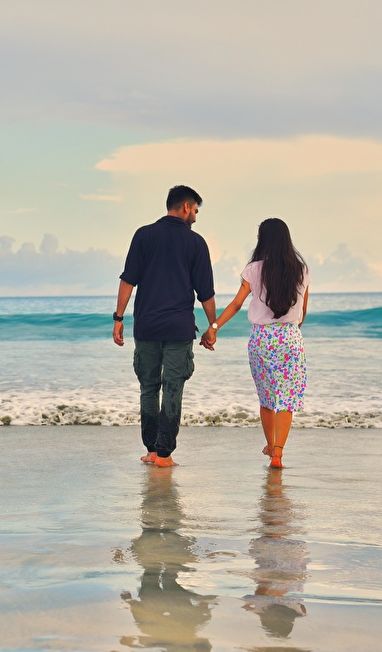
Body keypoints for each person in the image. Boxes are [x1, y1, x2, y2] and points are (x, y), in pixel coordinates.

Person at [113, 185, 217, 467]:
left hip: (146, 327)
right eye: (195, 209)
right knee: (173, 388)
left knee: (148, 387)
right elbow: (205, 292)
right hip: (178, 329)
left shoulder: (143, 235)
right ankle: (164, 455)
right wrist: (213, 326)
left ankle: (151, 450)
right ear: (185, 207)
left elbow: (128, 280)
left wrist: (119, 318)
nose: (195, 215)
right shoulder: (195, 243)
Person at [200, 218, 309, 468]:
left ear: (263, 240)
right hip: (290, 338)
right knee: (286, 398)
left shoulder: (254, 269)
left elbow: (237, 304)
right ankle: (278, 454)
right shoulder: (302, 270)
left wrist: (214, 327)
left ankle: (270, 446)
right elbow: (303, 311)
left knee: (267, 398)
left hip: (261, 339)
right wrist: (291, 331)